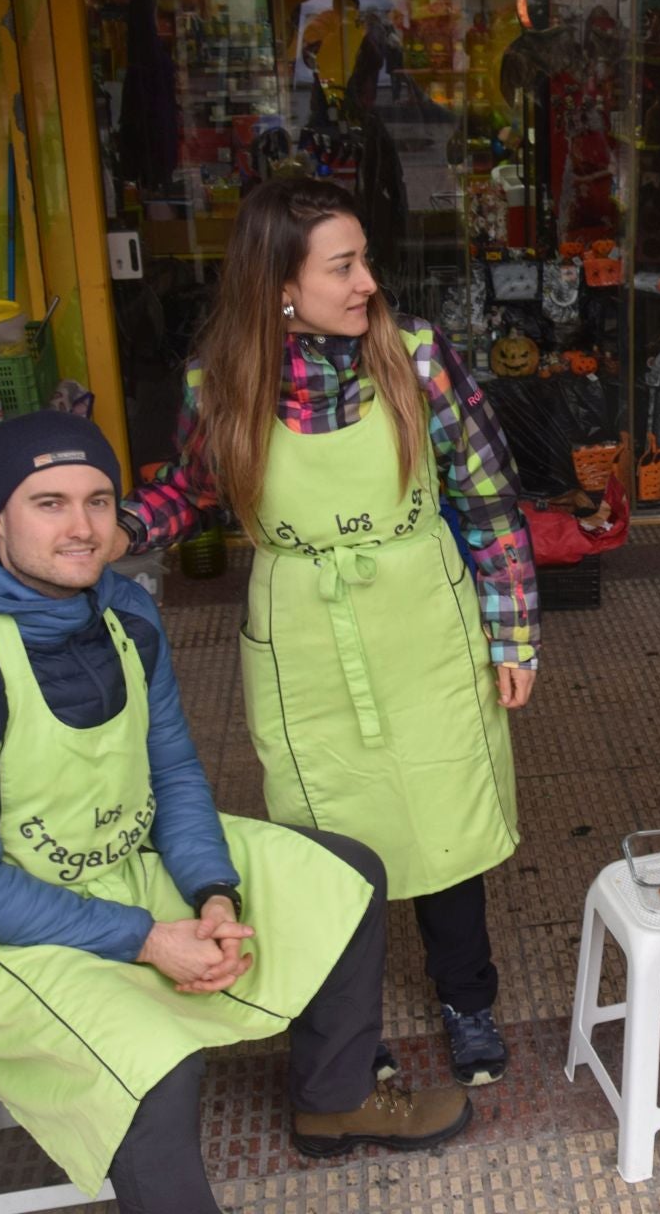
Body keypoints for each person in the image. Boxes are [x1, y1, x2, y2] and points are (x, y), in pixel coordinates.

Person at [0, 411, 473, 1213]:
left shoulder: (127, 613)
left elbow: (176, 772)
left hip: (122, 864)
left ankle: (336, 1096)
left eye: (97, 500)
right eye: (48, 504)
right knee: (151, 1058)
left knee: (348, 871)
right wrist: (151, 941)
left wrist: (211, 894)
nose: (82, 528)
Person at [108, 177, 538, 1088]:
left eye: (365, 261)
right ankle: (352, 1029)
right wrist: (116, 530)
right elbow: (190, 491)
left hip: (425, 621)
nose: (367, 283)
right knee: (327, 835)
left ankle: (469, 999)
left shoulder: (417, 359)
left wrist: (513, 635)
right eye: (343, 266)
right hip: (304, 637)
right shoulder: (219, 383)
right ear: (279, 287)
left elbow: (490, 501)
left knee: (444, 823)